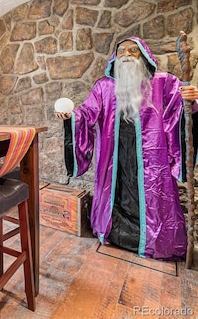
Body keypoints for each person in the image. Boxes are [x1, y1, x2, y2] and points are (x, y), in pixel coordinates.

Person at [55, 37, 198, 261]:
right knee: (117, 190)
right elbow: (87, 111)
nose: (127, 55)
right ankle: (114, 233)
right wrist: (71, 116)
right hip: (115, 154)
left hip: (151, 155)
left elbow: (181, 109)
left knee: (149, 195)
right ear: (114, 57)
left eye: (134, 50)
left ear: (144, 55)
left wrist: (191, 98)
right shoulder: (104, 86)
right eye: (121, 51)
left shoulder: (163, 82)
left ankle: (154, 242)